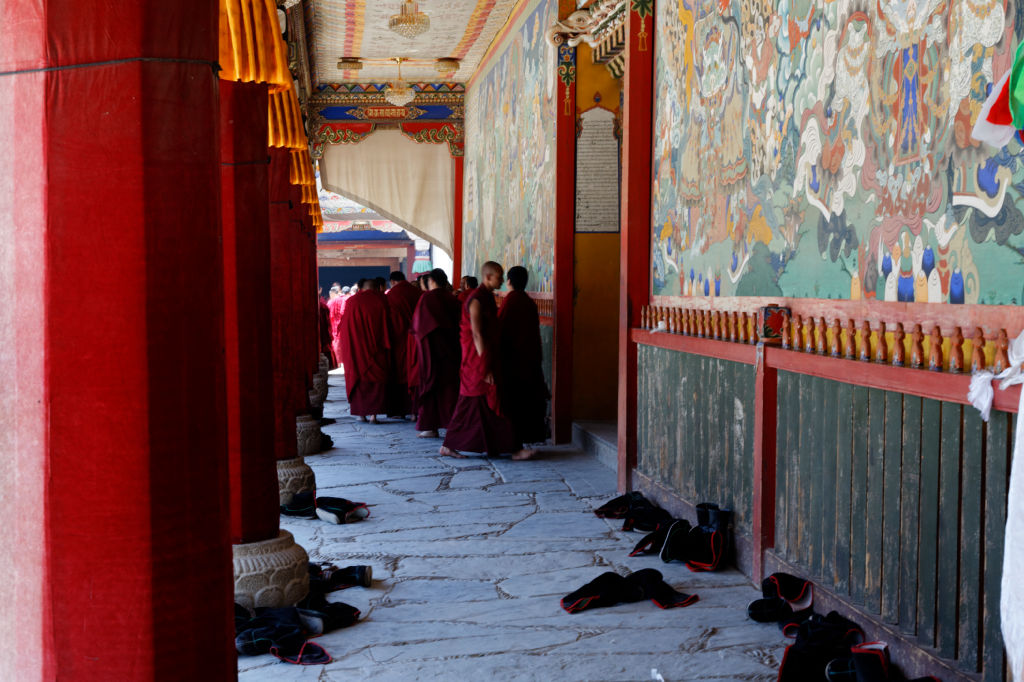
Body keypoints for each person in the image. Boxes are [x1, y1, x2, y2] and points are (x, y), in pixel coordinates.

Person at [440, 262, 534, 460]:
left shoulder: (487, 297)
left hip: (484, 358)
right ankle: (514, 449)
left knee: (479, 404)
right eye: (499, 277)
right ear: (488, 277)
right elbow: (476, 334)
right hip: (477, 361)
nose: (502, 280)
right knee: (485, 401)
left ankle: (450, 445)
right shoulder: (476, 300)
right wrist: (485, 366)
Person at [498, 266, 550, 444]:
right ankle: (530, 435)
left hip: (513, 360)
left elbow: (502, 330)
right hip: (530, 358)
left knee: (516, 400)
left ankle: (516, 438)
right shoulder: (528, 302)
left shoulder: (510, 301)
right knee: (529, 398)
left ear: (509, 281)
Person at [412, 268, 462, 438]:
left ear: (431, 280)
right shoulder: (452, 298)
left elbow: (419, 327)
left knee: (431, 389)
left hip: (432, 352)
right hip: (452, 351)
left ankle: (430, 427)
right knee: (450, 390)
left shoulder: (427, 298)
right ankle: (452, 425)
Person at [337, 278, 390, 423]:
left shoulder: (352, 302)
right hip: (377, 349)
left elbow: (345, 327)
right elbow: (388, 326)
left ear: (361, 288)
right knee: (377, 381)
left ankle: (361, 414)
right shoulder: (382, 300)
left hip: (357, 350)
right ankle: (374, 415)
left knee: (359, 379)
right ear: (376, 288)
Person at [384, 271, 421, 418]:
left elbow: (390, 320)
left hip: (398, 339)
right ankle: (415, 409)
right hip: (417, 339)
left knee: (399, 373)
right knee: (415, 371)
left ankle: (401, 409)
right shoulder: (417, 292)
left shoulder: (391, 295)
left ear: (392, 281)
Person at [327, 285, 345, 368]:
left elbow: (328, 314)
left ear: (332, 293)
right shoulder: (343, 299)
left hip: (333, 324)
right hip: (342, 324)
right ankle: (343, 361)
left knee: (336, 343)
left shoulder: (331, 302)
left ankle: (337, 362)